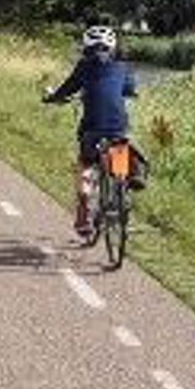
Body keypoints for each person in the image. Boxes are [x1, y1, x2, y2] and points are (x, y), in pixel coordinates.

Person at [43, 25, 139, 238]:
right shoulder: (123, 67)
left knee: (86, 164)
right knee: (120, 156)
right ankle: (123, 196)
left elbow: (66, 89)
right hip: (118, 127)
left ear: (86, 47)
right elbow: (131, 90)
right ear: (112, 46)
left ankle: (83, 214)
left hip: (92, 128)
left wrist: (52, 97)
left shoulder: (84, 67)